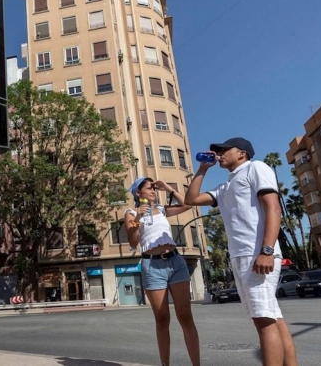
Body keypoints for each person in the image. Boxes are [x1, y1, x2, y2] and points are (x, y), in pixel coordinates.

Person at [184, 138, 297, 366]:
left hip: (257, 253)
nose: (220, 154)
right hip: (240, 256)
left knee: (263, 321)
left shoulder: (256, 168)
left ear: (242, 153)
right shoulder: (225, 186)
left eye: (225, 150)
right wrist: (203, 169)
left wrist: (266, 250)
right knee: (272, 317)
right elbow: (191, 199)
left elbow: (273, 207)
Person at [125, 176, 200, 366]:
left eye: (153, 188)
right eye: (149, 188)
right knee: (162, 318)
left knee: (185, 315)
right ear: (138, 192)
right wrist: (139, 217)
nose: (153, 191)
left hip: (175, 262)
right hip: (152, 266)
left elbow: (187, 204)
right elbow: (133, 241)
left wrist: (167, 187)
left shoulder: (161, 209)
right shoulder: (131, 213)